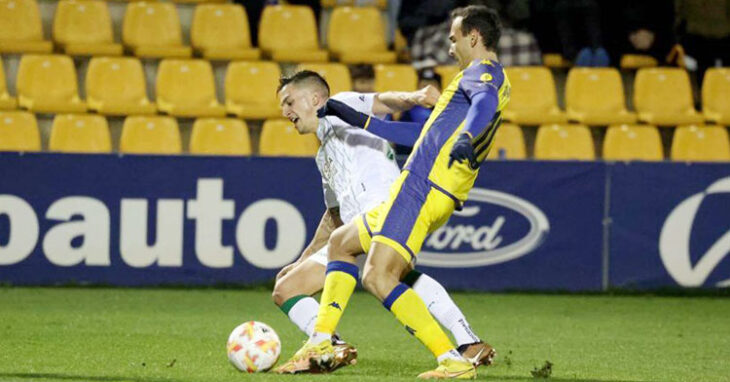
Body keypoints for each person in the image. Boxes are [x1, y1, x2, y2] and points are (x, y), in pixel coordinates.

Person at [280, 5, 510, 379]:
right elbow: (420, 137)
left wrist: (466, 133)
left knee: (378, 276)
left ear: (473, 38)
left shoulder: (481, 74)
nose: (450, 47)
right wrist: (366, 123)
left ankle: (452, 358)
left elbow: (482, 103)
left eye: (453, 39)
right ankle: (322, 340)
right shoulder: (474, 82)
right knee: (343, 244)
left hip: (421, 187)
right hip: (426, 189)